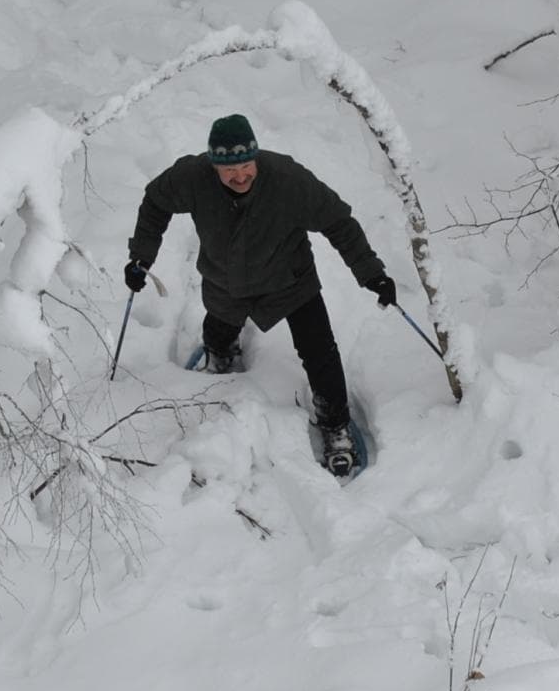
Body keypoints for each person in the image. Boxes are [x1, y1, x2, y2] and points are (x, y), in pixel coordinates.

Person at [125, 114, 396, 476]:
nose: (240, 176)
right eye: (229, 170)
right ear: (214, 165)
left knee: (320, 353)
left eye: (246, 166)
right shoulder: (193, 177)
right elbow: (156, 201)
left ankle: (335, 425)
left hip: (290, 280)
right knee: (218, 331)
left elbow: (338, 222)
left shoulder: (287, 180)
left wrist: (371, 273)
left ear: (256, 156)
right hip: (227, 281)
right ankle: (221, 355)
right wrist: (142, 257)